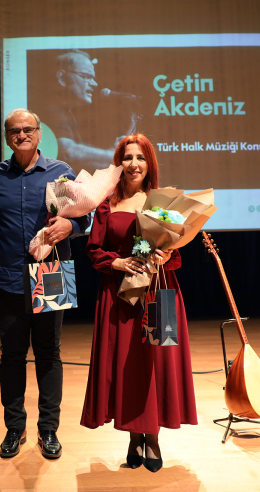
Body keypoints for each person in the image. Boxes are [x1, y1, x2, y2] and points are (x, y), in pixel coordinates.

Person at [80, 133, 197, 472]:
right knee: (127, 364)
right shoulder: (106, 204)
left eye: (140, 157)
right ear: (119, 163)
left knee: (157, 363)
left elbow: (176, 254)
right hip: (120, 295)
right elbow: (94, 250)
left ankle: (153, 436)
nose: (134, 164)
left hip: (159, 292)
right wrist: (117, 262)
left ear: (150, 163)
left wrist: (166, 256)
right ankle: (134, 435)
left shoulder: (164, 204)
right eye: (128, 157)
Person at [0, 109, 91, 460]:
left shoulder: (59, 172)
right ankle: (15, 428)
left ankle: (48, 430)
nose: (22, 135)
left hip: (53, 274)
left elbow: (84, 218)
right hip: (8, 277)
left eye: (28, 129)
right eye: (14, 131)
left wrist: (71, 227)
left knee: (49, 353)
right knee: (12, 355)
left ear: (39, 132)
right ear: (6, 137)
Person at [41, 50, 132, 168]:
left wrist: (112, 151)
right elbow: (68, 152)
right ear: (62, 78)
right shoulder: (50, 111)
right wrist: (115, 155)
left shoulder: (66, 113)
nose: (94, 84)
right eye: (86, 77)